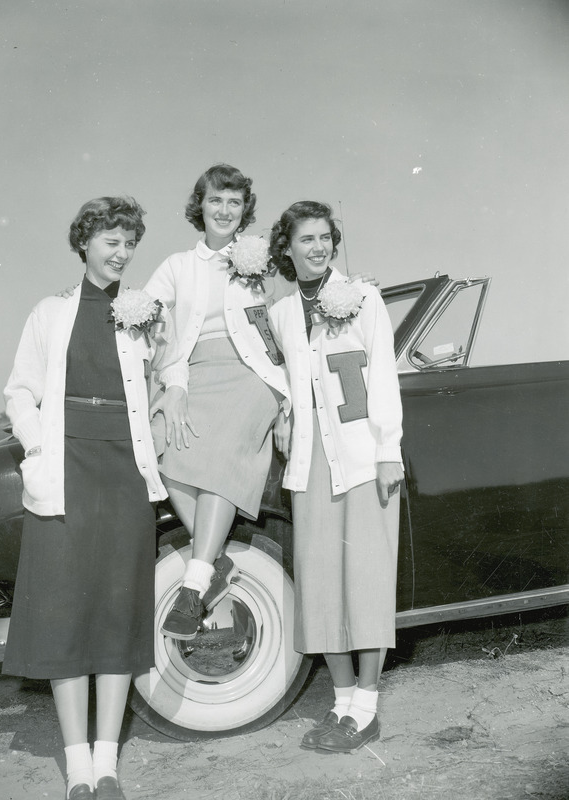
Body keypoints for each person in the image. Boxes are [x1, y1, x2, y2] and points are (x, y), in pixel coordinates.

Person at [2, 197, 188, 800]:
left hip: (124, 476)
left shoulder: (143, 314)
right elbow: (20, 393)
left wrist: (174, 392)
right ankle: (76, 766)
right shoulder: (49, 313)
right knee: (63, 615)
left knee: (115, 613)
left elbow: (174, 366)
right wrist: (37, 449)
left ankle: (107, 765)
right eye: (111, 240)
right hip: (65, 476)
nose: (122, 252)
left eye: (130, 242)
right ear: (84, 243)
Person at [267, 201, 404, 753]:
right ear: (287, 247)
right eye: (306, 239)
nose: (318, 247)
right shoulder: (280, 313)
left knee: (365, 579)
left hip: (362, 453)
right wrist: (282, 408)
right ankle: (341, 699)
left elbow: (385, 376)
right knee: (322, 581)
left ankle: (366, 707)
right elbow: (278, 375)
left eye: (326, 237)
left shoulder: (363, 297)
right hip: (310, 460)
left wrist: (389, 450)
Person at [145, 163, 293, 641]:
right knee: (161, 444)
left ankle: (195, 581)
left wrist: (349, 286)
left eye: (234, 202)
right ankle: (217, 560)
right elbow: (144, 320)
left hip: (254, 375)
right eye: (216, 200)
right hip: (194, 374)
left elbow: (306, 293)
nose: (225, 210)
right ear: (200, 207)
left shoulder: (263, 259)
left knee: (221, 451)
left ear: (244, 209)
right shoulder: (176, 267)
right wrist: (174, 387)